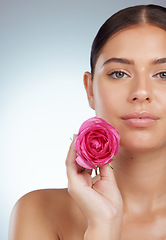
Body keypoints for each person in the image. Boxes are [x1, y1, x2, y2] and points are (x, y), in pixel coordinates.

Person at [8, 4, 166, 240]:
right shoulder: (39, 211)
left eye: (164, 74)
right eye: (119, 73)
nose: (141, 92)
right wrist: (103, 226)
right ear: (90, 89)